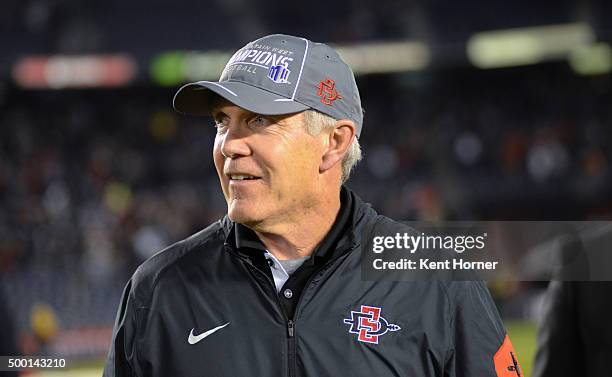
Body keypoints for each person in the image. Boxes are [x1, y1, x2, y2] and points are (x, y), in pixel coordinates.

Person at [103, 34, 520, 377]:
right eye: (221, 122)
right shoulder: (158, 290)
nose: (229, 144)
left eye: (259, 120)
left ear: (334, 143)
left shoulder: (439, 285)